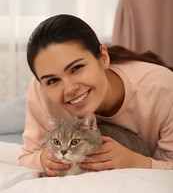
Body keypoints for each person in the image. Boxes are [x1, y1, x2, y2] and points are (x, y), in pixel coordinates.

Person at [19, 14, 173, 176]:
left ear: (103, 58)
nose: (70, 89)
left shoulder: (163, 88)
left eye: (76, 68)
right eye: (53, 80)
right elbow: (27, 156)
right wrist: (45, 158)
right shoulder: (40, 90)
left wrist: (134, 161)